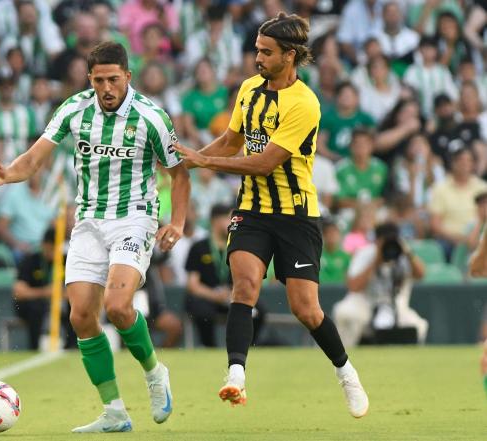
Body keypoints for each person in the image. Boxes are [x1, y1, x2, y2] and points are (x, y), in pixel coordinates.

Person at [0, 41, 190, 432]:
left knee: (117, 305)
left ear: (128, 76)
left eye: (113, 79)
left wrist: (177, 222)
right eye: (99, 80)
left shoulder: (152, 117)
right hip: (89, 221)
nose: (107, 88)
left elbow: (179, 173)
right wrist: (9, 172)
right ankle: (114, 411)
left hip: (134, 219)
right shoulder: (73, 109)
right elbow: (34, 157)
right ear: (89, 79)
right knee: (80, 316)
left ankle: (154, 373)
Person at [173, 13, 369, 417]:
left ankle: (346, 372)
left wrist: (203, 161)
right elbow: (231, 141)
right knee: (244, 286)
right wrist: (187, 162)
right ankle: (236, 376)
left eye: (266, 52)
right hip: (252, 211)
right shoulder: (248, 89)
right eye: (257, 50)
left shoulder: (305, 103)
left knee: (306, 310)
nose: (257, 58)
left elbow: (264, 163)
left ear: (290, 56)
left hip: (296, 215)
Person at [333, 222, 428, 347]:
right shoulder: (365, 253)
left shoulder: (403, 253)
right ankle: (344, 359)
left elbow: (421, 275)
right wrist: (376, 260)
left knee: (419, 325)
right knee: (344, 313)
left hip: (395, 304)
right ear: (376, 241)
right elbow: (353, 287)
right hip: (365, 301)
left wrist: (407, 252)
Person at [185, 204, 266, 347]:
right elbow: (193, 285)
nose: (234, 223)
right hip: (207, 297)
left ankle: (245, 348)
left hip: (232, 296)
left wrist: (233, 293)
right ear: (216, 221)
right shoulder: (199, 247)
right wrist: (214, 295)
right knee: (203, 312)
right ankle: (210, 349)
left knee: (259, 311)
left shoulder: (237, 246)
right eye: (230, 219)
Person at [13, 228, 75, 350]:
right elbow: (18, 292)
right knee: (35, 306)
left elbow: (75, 290)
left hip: (60, 301)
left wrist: (59, 293)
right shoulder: (31, 260)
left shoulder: (67, 260)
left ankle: (71, 346)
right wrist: (45, 292)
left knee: (74, 305)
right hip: (35, 304)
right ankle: (34, 347)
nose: (53, 252)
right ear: (43, 245)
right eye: (50, 248)